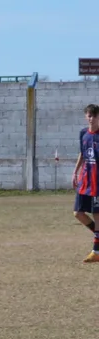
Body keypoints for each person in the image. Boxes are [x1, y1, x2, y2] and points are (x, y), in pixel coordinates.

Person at [72, 104, 99, 263]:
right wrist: (75, 172)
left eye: (94, 116)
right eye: (89, 115)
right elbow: (82, 154)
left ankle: (96, 252)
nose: (91, 118)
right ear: (85, 116)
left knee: (97, 213)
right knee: (78, 213)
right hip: (85, 180)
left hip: (98, 182)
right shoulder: (83, 133)